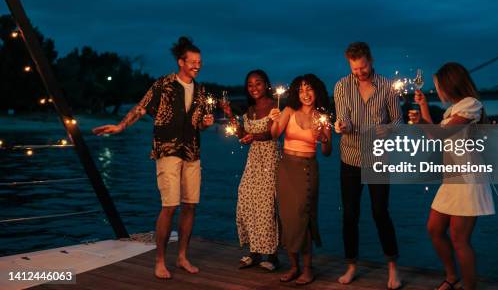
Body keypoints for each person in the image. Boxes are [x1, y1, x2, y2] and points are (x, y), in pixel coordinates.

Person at [92, 36, 214, 280]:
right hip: (167, 151)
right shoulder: (163, 85)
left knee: (190, 206)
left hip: (192, 152)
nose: (197, 66)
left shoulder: (201, 91)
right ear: (181, 62)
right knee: (169, 206)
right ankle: (160, 260)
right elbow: (141, 107)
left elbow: (198, 124)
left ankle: (182, 257)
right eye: (193, 62)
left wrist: (205, 123)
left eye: (200, 62)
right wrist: (120, 126)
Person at [411, 62, 495, 290]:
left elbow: (443, 134)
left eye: (438, 86)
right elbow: (434, 136)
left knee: (459, 239)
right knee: (434, 229)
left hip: (468, 181)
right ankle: (451, 276)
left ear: (450, 85)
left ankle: (469, 287)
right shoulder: (453, 110)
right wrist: (423, 107)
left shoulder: (471, 105)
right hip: (452, 180)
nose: (437, 90)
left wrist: (420, 122)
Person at [333, 41, 403, 290]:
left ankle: (393, 268)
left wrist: (387, 130)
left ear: (370, 60)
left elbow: (398, 122)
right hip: (350, 158)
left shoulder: (386, 87)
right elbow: (344, 120)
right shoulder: (341, 86)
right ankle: (351, 265)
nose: (359, 73)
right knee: (350, 214)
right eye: (354, 69)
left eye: (362, 67)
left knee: (379, 212)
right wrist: (341, 127)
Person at [268, 74, 332, 285]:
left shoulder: (322, 117)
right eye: (301, 90)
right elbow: (275, 134)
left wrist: (323, 138)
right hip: (286, 168)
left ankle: (307, 268)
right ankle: (294, 267)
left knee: (303, 217)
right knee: (287, 217)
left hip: (307, 169)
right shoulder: (288, 111)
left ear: (317, 91)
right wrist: (274, 120)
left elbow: (327, 151)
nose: (305, 94)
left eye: (309, 89)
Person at [222, 70, 280, 271]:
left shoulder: (275, 107)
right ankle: (255, 252)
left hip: (271, 159)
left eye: (258, 83)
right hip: (253, 161)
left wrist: (253, 137)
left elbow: (272, 133)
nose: (254, 88)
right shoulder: (250, 111)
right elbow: (242, 135)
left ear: (266, 85)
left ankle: (272, 256)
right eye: (250, 85)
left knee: (267, 205)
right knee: (246, 199)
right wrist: (230, 116)